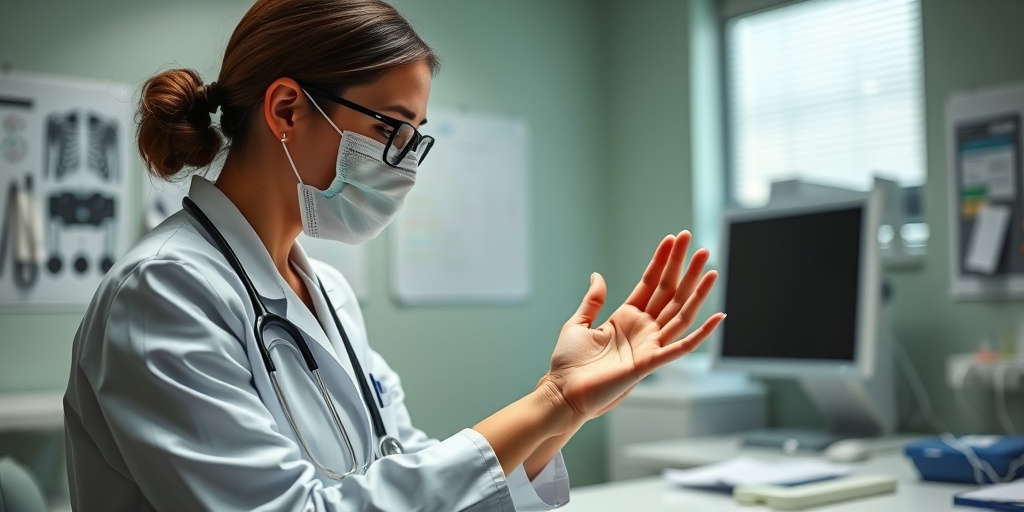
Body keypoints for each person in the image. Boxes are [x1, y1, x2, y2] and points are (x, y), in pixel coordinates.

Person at [62, 0, 725, 510]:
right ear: (287, 109)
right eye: (390, 128)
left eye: (415, 138)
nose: (403, 164)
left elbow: (411, 476)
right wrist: (549, 402)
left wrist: (569, 408)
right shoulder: (162, 294)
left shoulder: (326, 294)